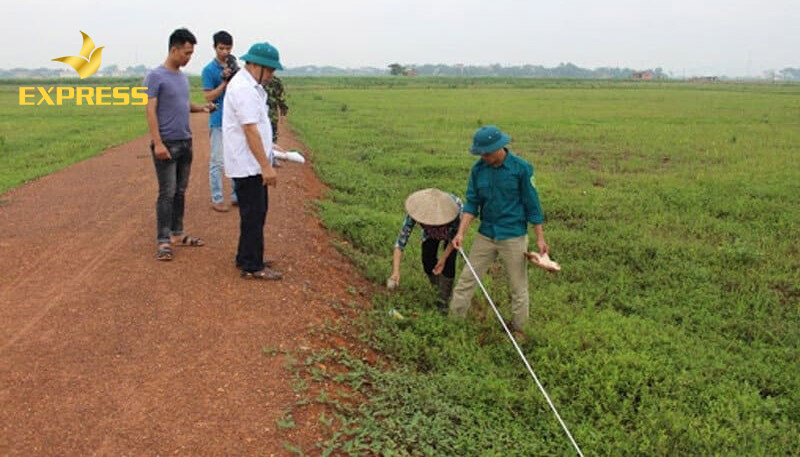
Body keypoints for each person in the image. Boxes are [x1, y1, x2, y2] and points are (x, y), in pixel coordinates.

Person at [449, 126, 549, 337]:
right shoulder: (478, 170)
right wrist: (461, 233)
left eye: (486, 153)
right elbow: (472, 204)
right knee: (466, 279)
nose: (483, 157)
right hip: (486, 234)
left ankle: (520, 330)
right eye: (480, 154)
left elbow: (532, 205)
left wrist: (540, 238)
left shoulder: (521, 169)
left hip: (513, 236)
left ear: (499, 148)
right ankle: (453, 324)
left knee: (518, 287)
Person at [144, 28, 215, 261]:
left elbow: (183, 104)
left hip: (185, 142)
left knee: (180, 192)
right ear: (174, 49)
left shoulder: (182, 77)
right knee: (167, 192)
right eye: (186, 53)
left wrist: (202, 108)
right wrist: (158, 143)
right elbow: (150, 110)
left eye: (191, 53)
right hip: (167, 143)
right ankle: (163, 240)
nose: (189, 57)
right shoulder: (155, 76)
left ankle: (177, 233)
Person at [222, 42, 284, 280]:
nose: (271, 75)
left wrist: (271, 146)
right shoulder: (243, 89)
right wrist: (266, 167)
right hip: (249, 165)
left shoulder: (251, 86)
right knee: (254, 215)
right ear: (256, 65)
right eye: (270, 70)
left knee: (254, 213)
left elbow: (257, 125)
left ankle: (246, 256)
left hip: (250, 161)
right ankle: (252, 265)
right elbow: (249, 129)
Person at [388, 188, 462, 312]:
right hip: (429, 235)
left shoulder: (455, 210)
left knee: (449, 263)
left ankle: (443, 300)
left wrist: (443, 258)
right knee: (427, 260)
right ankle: (437, 288)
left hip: (451, 235)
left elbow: (455, 238)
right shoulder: (416, 212)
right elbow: (400, 242)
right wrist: (395, 272)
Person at [202, 30, 239, 212]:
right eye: (221, 48)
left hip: (234, 120)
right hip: (217, 120)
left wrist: (234, 76)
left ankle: (236, 195)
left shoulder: (235, 66)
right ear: (214, 47)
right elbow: (209, 96)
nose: (225, 52)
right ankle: (217, 198)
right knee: (217, 160)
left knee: (235, 158)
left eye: (228, 48)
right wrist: (224, 82)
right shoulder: (209, 70)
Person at [264, 76, 288, 143]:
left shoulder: (276, 81)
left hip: (272, 116)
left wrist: (283, 113)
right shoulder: (257, 80)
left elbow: (281, 98)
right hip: (259, 114)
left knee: (272, 138)